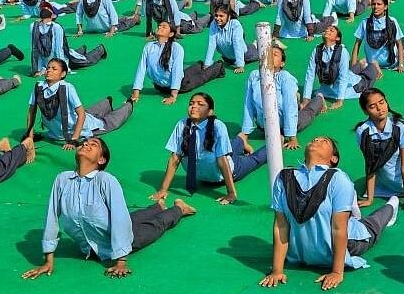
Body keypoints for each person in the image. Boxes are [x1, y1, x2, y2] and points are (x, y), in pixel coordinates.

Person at [21, 136, 195, 279]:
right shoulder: (62, 180)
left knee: (154, 226)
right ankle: (158, 205)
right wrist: (48, 260)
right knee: (133, 217)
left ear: (101, 159)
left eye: (93, 144)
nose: (86, 144)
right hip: (97, 238)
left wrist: (121, 261)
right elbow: (51, 217)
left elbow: (119, 218)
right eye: (85, 142)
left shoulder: (106, 180)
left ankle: (179, 208)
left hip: (123, 238)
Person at [259, 136, 399, 291]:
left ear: (333, 158)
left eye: (324, 141)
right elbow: (281, 225)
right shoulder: (284, 178)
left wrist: (337, 272)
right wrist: (277, 270)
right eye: (314, 139)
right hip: (304, 254)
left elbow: (339, 229)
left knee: (374, 224)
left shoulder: (338, 179)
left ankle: (392, 205)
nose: (316, 140)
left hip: (348, 241)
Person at [152, 93, 266, 205]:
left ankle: (276, 143)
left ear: (210, 112)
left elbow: (222, 161)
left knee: (254, 159)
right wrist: (163, 190)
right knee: (230, 146)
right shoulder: (181, 125)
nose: (194, 106)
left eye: (200, 104)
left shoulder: (218, 126)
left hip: (231, 169)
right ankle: (241, 139)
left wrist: (231, 193)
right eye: (191, 103)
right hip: (203, 177)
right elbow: (174, 158)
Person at [24, 58, 133, 147]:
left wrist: (74, 139)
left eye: (54, 69)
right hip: (57, 132)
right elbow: (31, 112)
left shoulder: (67, 88)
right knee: (89, 112)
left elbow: (81, 114)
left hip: (79, 128)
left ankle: (128, 105)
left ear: (62, 74)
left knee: (108, 122)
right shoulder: (38, 87)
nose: (49, 70)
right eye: (48, 68)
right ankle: (107, 102)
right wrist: (29, 136)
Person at [240, 44, 325, 151]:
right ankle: (298, 99)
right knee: (293, 103)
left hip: (287, 123)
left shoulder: (285, 77)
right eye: (269, 54)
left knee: (308, 112)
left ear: (282, 63)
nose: (271, 57)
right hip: (265, 128)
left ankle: (319, 99)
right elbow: (248, 105)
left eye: (275, 55)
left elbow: (289, 107)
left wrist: (292, 137)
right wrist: (245, 134)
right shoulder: (254, 76)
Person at [352, 88, 404, 208]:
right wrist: (370, 199)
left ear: (386, 102)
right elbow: (370, 164)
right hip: (384, 183)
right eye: (372, 106)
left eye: (382, 102)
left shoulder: (400, 128)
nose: (379, 108)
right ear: (365, 111)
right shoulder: (362, 132)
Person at [131, 21, 224, 105]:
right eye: (159, 26)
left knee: (202, 77)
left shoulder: (176, 48)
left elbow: (177, 70)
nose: (159, 27)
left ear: (171, 34)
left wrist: (173, 95)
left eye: (164, 27)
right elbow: (141, 68)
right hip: (160, 87)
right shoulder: (148, 47)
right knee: (191, 71)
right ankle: (199, 65)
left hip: (181, 85)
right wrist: (136, 92)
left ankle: (219, 66)